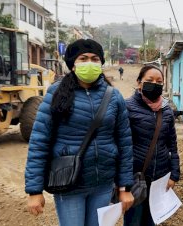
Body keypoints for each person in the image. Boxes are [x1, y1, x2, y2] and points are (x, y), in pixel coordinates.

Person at [25, 39, 134, 226]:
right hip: (69, 184)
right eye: (83, 58)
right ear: (73, 64)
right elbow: (39, 142)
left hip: (103, 184)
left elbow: (124, 142)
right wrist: (34, 191)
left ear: (101, 63)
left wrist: (124, 187)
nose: (89, 63)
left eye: (94, 59)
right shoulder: (55, 94)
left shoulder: (113, 96)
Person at [124, 64, 180, 226]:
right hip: (135, 178)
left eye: (159, 81)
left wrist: (174, 174)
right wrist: (122, 180)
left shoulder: (166, 111)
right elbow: (122, 146)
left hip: (160, 178)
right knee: (133, 221)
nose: (154, 84)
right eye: (149, 80)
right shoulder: (127, 107)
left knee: (152, 220)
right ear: (139, 82)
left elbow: (172, 145)